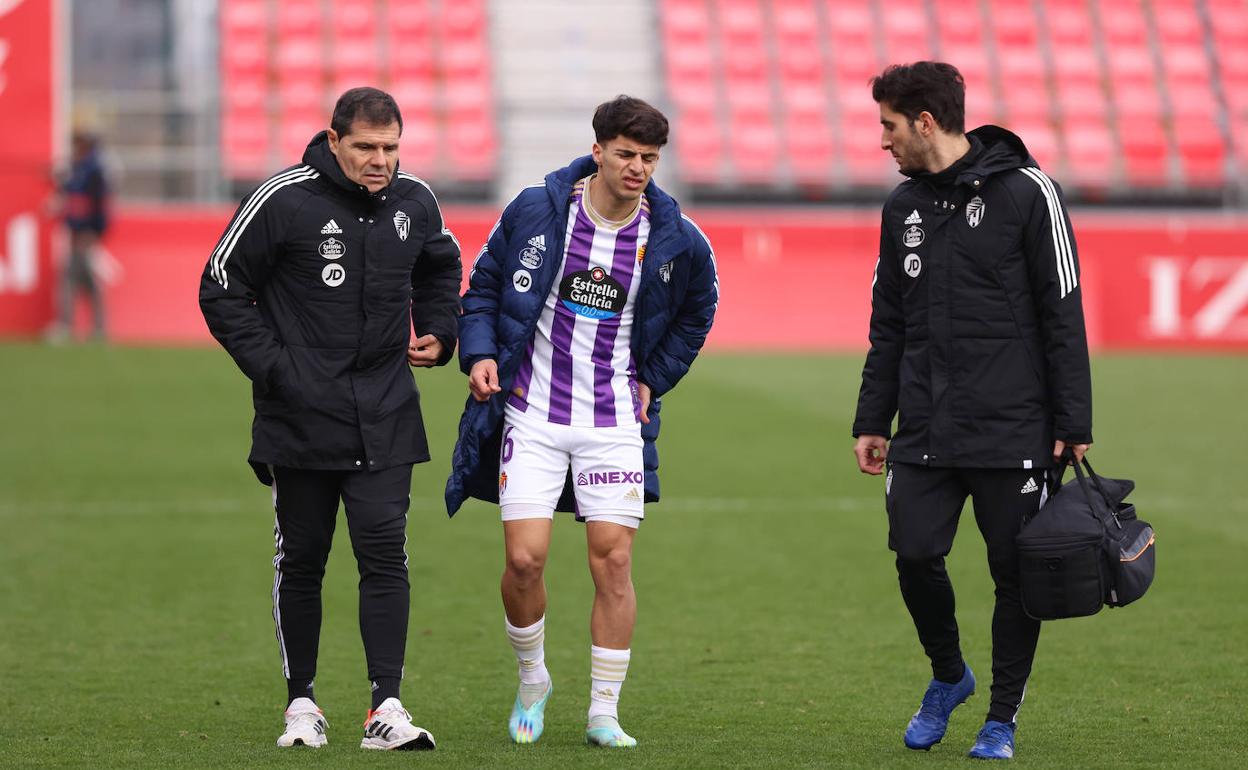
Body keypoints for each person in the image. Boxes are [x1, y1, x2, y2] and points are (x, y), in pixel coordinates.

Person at [445, 95, 718, 748]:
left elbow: (698, 311)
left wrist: (656, 377)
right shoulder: (540, 211)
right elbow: (483, 286)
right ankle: (533, 678)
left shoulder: (675, 237)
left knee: (614, 562)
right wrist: (480, 353)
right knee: (524, 562)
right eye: (626, 154)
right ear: (597, 150)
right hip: (532, 414)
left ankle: (603, 712)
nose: (638, 168)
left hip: (613, 421)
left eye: (650, 158)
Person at [198, 87, 461, 751]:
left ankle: (387, 708)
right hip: (301, 419)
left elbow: (440, 265)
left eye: (391, 148)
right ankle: (302, 706)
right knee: (304, 561)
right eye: (368, 148)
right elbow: (221, 285)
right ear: (335, 140)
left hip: (387, 412)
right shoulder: (284, 198)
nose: (381, 161)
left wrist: (438, 328)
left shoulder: (416, 201)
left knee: (385, 556)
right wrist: (279, 371)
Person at [852, 62, 1092, 761]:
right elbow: (888, 323)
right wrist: (874, 418)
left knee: (1014, 574)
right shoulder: (903, 208)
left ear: (925, 122)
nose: (883, 141)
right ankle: (950, 675)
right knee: (915, 553)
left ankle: (1002, 718)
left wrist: (1072, 424)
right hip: (925, 424)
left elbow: (1064, 314)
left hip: (1015, 426)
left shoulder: (1029, 192)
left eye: (889, 126)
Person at [48, 130, 110, 341]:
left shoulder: (93, 170)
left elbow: (100, 205)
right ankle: (98, 328)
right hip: (77, 232)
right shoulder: (81, 168)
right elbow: (70, 191)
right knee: (86, 280)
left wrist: (95, 231)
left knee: (70, 279)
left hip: (85, 233)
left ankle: (66, 325)